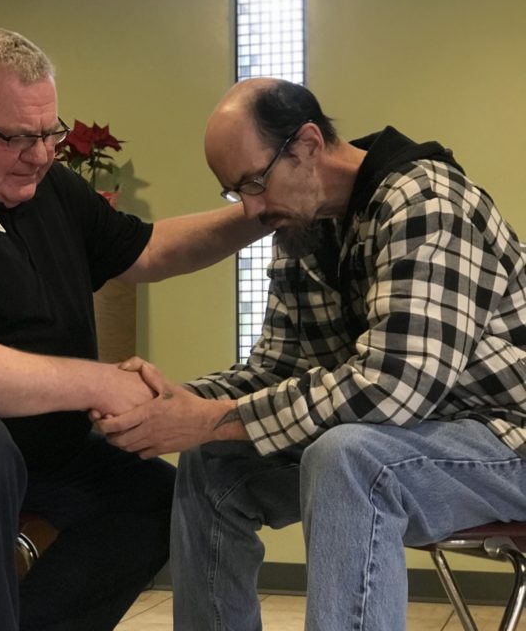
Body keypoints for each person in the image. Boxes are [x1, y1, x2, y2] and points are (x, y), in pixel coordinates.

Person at [96, 77, 526, 631]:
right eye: (236, 192)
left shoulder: (427, 203)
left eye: (254, 181)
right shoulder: (304, 229)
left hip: (507, 439)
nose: (251, 208)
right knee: (212, 461)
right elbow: (276, 367)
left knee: (348, 457)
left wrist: (211, 418)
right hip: (417, 442)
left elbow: (394, 388)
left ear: (307, 144)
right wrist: (173, 403)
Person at [0, 27, 266, 631]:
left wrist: (257, 212)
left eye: (49, 132)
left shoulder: (43, 182)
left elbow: (148, 249)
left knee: (159, 499)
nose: (39, 153)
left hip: (43, 449)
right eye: (16, 137)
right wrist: (98, 383)